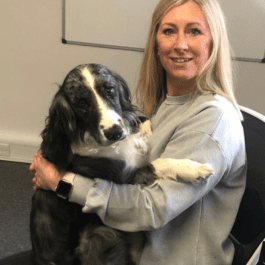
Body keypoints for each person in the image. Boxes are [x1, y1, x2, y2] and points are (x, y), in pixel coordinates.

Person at [0, 0, 246, 264]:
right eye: (169, 31)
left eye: (194, 31)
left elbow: (150, 208)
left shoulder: (213, 120)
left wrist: (63, 183)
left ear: (213, 40)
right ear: (155, 41)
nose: (180, 44)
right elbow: (138, 174)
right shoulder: (171, 103)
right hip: (127, 245)